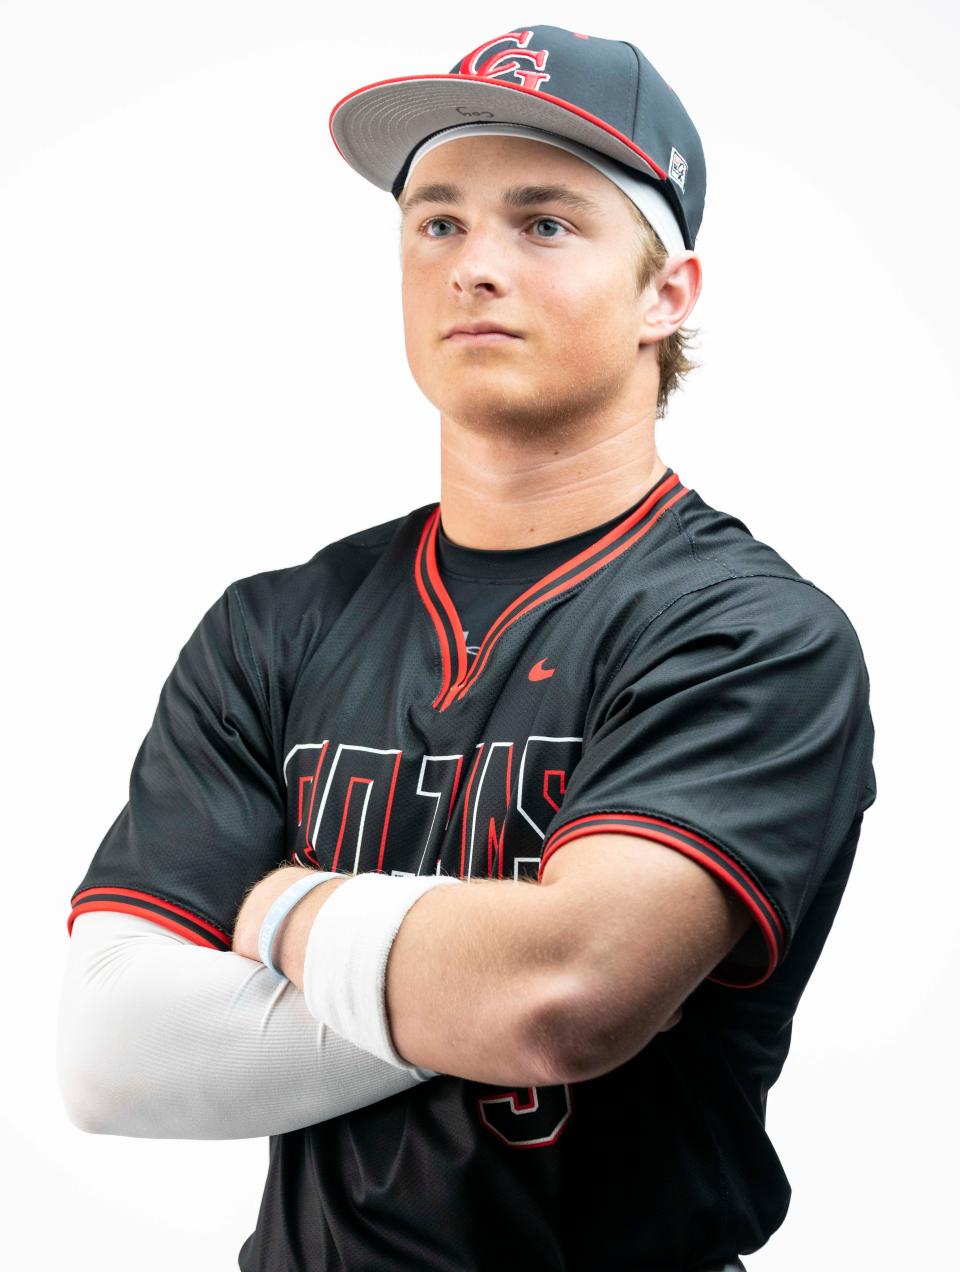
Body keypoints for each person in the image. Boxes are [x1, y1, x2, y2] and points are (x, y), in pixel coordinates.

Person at [56, 23, 877, 1272]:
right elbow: (115, 1056)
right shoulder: (274, 624)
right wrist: (460, 967)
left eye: (544, 223)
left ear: (668, 293)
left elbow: (563, 997)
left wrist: (278, 910)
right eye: (437, 223)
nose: (472, 266)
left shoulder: (752, 638)